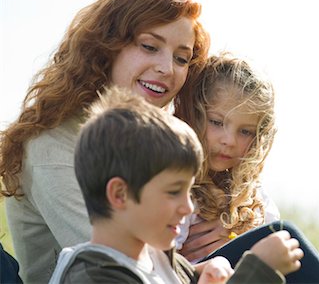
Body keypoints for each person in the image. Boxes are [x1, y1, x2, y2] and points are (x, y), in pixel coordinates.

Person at [0, 0, 209, 282]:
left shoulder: (156, 142)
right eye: (150, 46)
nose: (167, 68)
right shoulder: (52, 142)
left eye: (181, 58)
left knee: (276, 240)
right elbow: (121, 260)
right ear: (106, 47)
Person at [49, 86, 303, 284]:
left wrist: (208, 273)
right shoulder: (94, 276)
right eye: (173, 192)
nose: (187, 206)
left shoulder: (159, 258)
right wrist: (258, 269)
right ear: (120, 194)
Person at [175, 53, 319, 284]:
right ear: (195, 114)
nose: (229, 140)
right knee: (283, 234)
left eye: (245, 131)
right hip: (207, 277)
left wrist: (235, 238)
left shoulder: (254, 198)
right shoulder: (180, 186)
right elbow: (161, 267)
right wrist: (217, 260)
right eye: (217, 122)